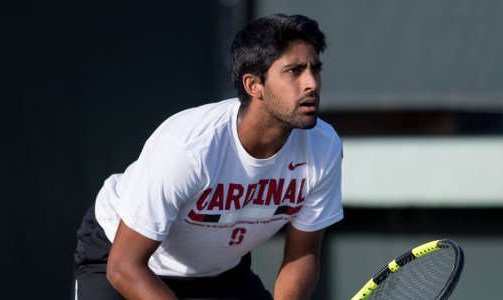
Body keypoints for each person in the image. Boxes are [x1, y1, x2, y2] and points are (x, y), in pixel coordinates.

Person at [72, 13, 343, 300]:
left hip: (218, 274)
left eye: (315, 68)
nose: (311, 82)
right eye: (294, 71)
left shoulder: (323, 148)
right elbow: (123, 267)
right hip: (123, 260)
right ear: (254, 86)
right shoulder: (189, 148)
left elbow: (302, 255)